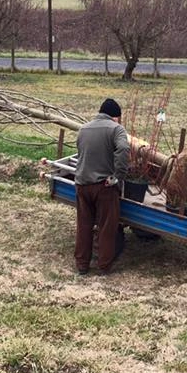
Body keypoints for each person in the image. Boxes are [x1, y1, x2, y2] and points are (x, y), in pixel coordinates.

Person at [74, 98, 130, 275]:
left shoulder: (83, 129)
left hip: (82, 184)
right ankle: (104, 266)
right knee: (107, 226)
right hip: (103, 186)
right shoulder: (116, 129)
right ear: (115, 117)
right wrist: (118, 177)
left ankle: (82, 265)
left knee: (84, 225)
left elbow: (81, 152)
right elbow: (123, 150)